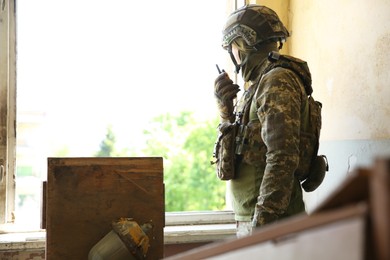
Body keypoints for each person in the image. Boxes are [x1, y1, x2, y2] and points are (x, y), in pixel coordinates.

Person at [213, 4, 311, 238]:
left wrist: (262, 226)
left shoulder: (277, 81)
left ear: (243, 44)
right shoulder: (258, 86)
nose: (234, 54)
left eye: (234, 47)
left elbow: (282, 157)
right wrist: (225, 112)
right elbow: (234, 160)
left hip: (274, 224)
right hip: (260, 220)